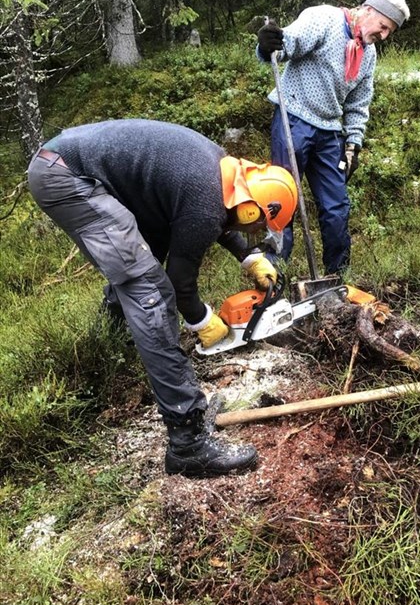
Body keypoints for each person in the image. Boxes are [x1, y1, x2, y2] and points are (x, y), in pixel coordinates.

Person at [27, 119, 298, 478]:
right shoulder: (206, 199)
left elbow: (209, 215)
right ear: (249, 208)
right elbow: (182, 281)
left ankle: (111, 342)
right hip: (69, 178)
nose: (253, 231)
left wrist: (249, 257)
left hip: (64, 160)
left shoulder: (221, 170)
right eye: (256, 226)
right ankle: (188, 441)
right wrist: (202, 320)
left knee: (146, 252)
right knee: (150, 290)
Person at [256, 0, 410, 274]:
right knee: (283, 198)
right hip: (294, 119)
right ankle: (275, 274)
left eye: (390, 31)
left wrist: (353, 144)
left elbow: (359, 102)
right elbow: (288, 44)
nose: (384, 35)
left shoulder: (369, 54)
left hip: (329, 133)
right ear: (368, 11)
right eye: (384, 27)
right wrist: (269, 44)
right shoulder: (323, 19)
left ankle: (337, 276)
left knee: (336, 206)